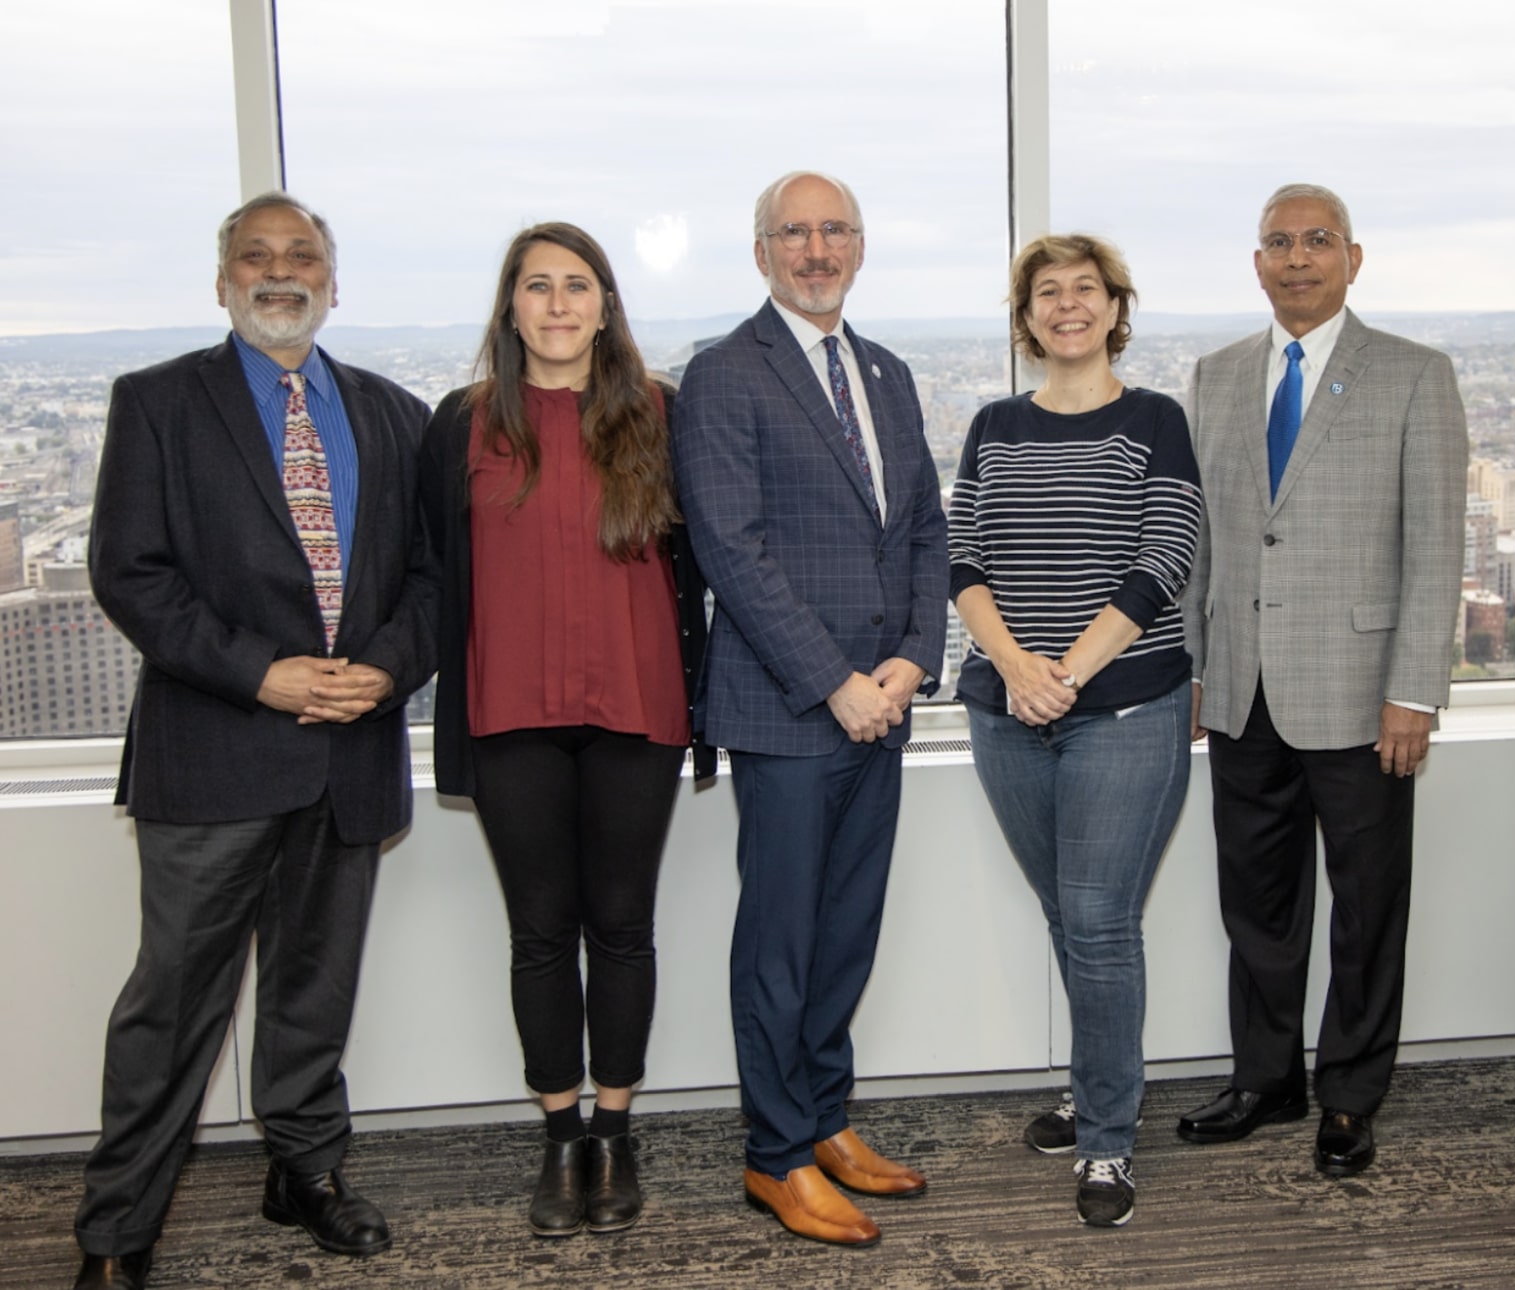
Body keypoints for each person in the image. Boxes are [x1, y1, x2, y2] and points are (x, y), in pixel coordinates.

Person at [73, 192, 437, 1290]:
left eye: (304, 256)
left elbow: (430, 578)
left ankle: (304, 1171)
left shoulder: (392, 413)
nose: (282, 272)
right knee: (173, 1005)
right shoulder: (159, 402)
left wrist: (385, 669)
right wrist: (260, 673)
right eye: (256, 255)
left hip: (349, 751)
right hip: (217, 749)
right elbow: (127, 571)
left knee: (313, 989)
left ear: (335, 279)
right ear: (222, 277)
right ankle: (117, 1229)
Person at [671, 170, 948, 1248]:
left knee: (846, 932)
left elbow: (924, 527)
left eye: (835, 230)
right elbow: (730, 552)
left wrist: (911, 665)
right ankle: (775, 1154)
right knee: (780, 941)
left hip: (881, 704)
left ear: (860, 248)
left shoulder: (885, 371)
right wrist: (837, 682)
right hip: (793, 711)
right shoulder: (725, 375)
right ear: (762, 252)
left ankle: (826, 1119)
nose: (817, 248)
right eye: (796, 231)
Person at [420, 223, 711, 1238]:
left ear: (604, 304)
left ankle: (617, 1130)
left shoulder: (660, 415)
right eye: (535, 286)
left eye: (575, 286)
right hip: (509, 715)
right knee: (541, 933)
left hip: (639, 709)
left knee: (622, 926)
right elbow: (428, 574)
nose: (556, 304)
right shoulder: (460, 424)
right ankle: (559, 1139)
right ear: (509, 307)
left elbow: (709, 560)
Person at [1178, 183, 1468, 1177]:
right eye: (1277, 243)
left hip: (1363, 695)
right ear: (1255, 262)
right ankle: (1266, 1079)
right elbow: (1203, 538)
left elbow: (1436, 548)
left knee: (1366, 905)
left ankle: (1349, 1093)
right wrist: (1194, 670)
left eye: (1317, 241)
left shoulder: (1413, 376)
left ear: (1353, 256)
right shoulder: (1215, 377)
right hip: (1241, 689)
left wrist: (1416, 690)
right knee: (1255, 904)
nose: (1297, 258)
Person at [948, 233, 1200, 1226]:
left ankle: (1105, 1142)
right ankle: (1100, 1082)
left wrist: (1067, 674)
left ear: (1113, 307)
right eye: (1046, 293)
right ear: (1027, 317)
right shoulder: (993, 425)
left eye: (1084, 290)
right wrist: (1017, 671)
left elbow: (1164, 557)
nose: (1066, 306)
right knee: (1069, 914)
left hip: (1127, 707)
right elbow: (962, 556)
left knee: (1098, 923)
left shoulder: (1155, 421)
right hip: (1008, 711)